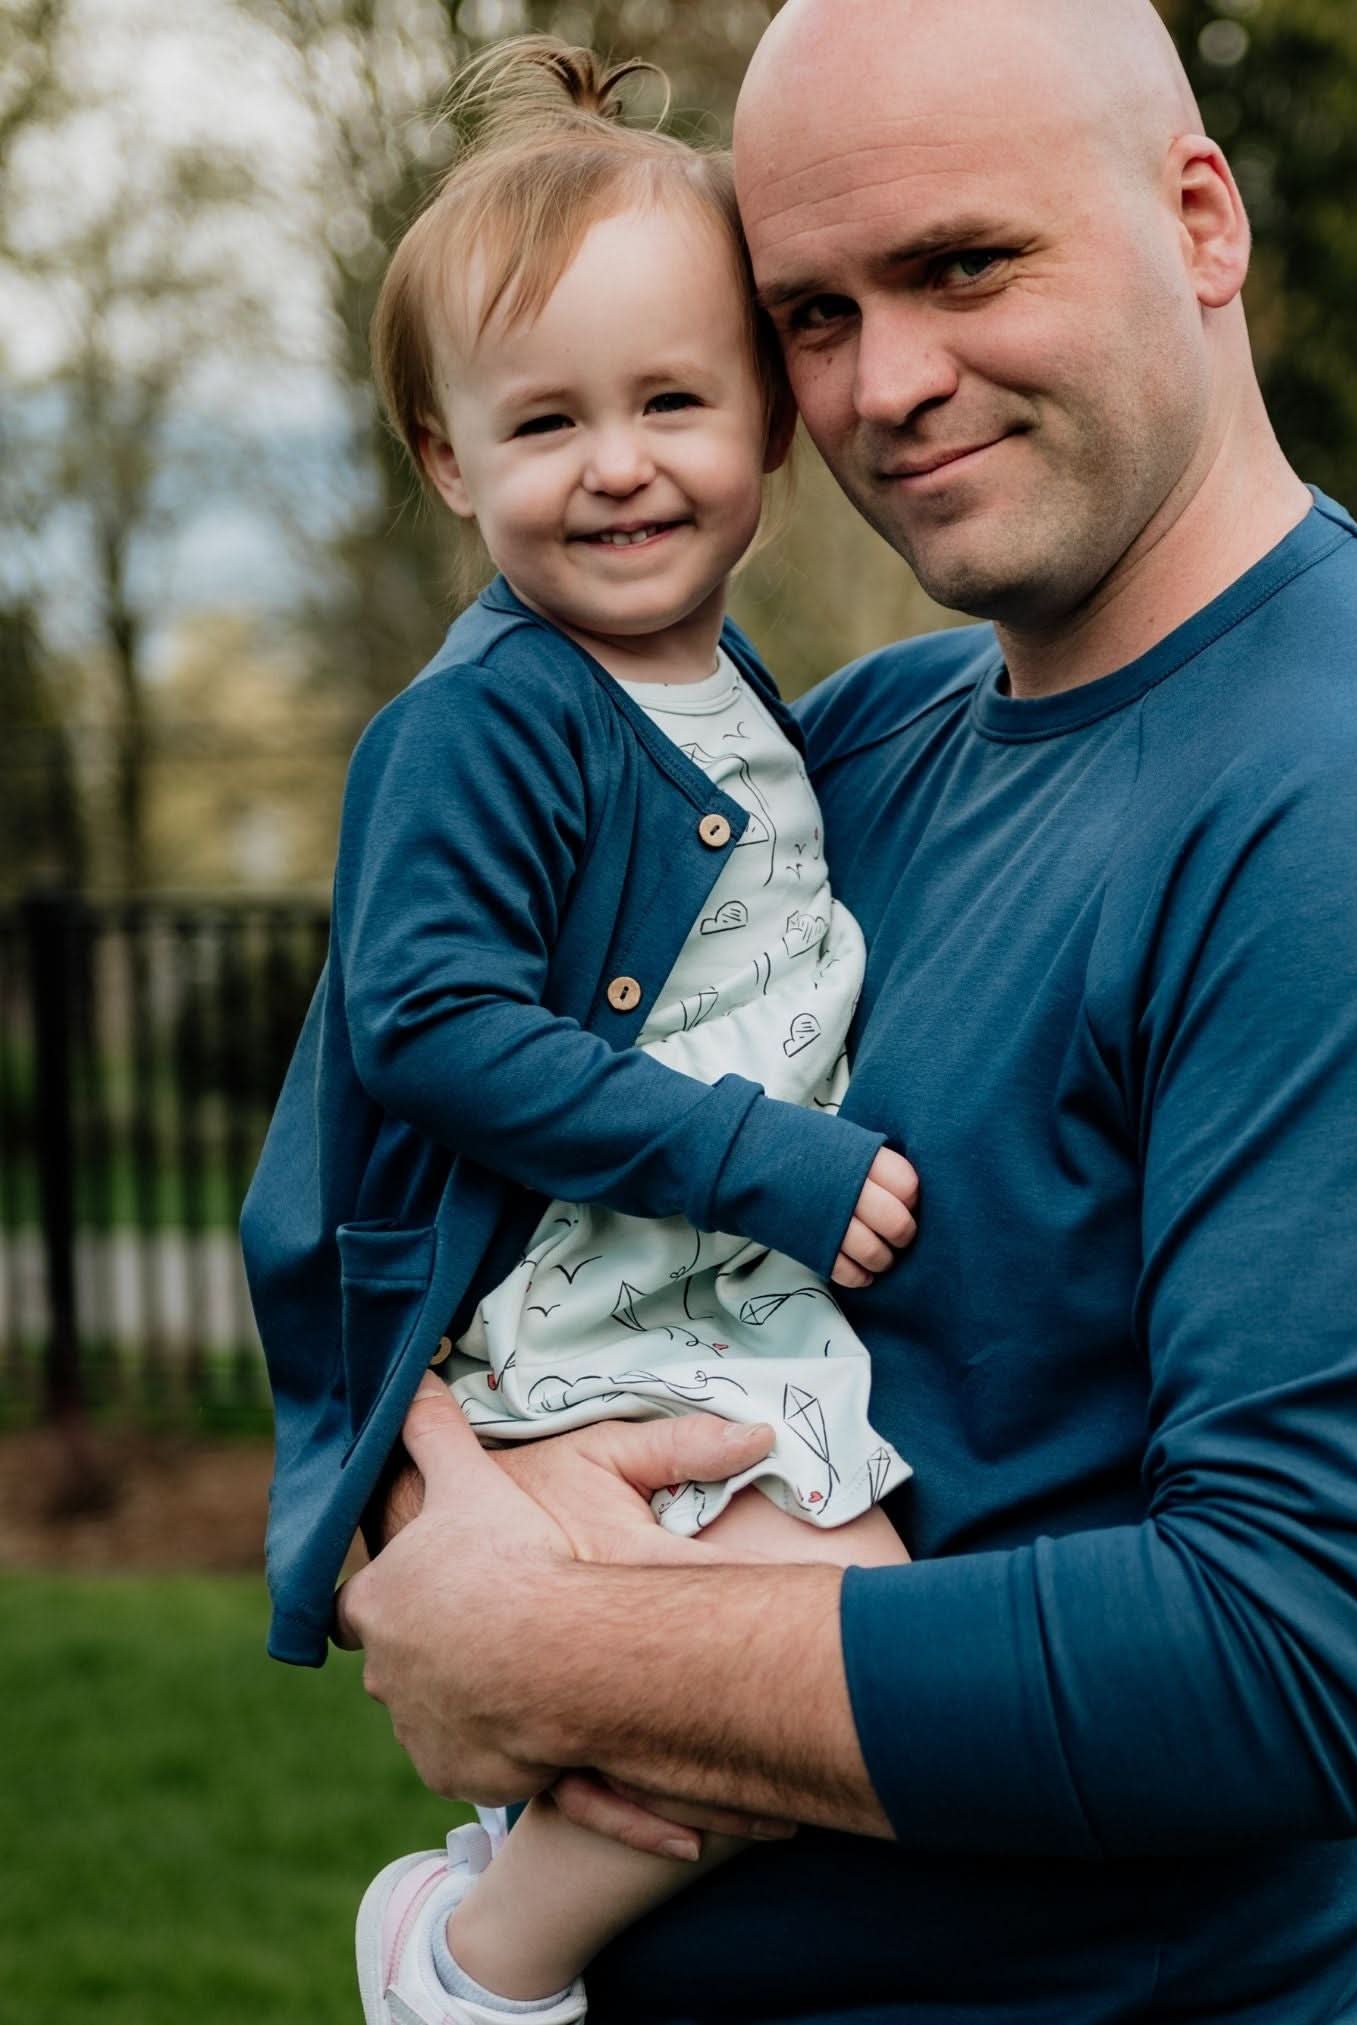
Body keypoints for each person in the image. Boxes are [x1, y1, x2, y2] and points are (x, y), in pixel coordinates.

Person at [330, 1, 1357, 2019]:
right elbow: (436, 1133)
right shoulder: (834, 750)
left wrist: (551, 1645)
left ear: (1196, 220)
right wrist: (420, 1507)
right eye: (815, 316)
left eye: (963, 264)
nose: (890, 383)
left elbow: (1295, 1659)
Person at [240, 37, 927, 2025]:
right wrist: (760, 1164)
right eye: (542, 421)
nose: (615, 461)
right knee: (799, 1687)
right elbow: (435, 1028)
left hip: (718, 1298)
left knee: (843, 1680)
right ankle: (465, 1963)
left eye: (671, 401)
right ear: (449, 462)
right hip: (585, 1306)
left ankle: (496, 1893)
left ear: (769, 434)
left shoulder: (740, 700)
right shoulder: (486, 725)